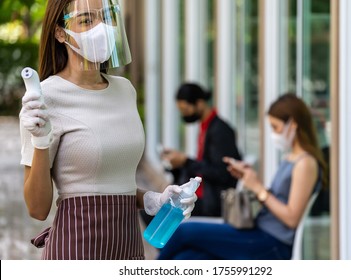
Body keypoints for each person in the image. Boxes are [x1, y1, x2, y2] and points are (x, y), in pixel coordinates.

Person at [19, 0, 196, 260]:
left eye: (106, 17)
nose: (101, 28)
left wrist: (154, 200)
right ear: (60, 33)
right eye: (87, 20)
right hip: (77, 251)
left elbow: (111, 184)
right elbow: (37, 208)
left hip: (129, 249)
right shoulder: (44, 98)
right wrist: (40, 142)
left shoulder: (124, 90)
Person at [157, 93, 328, 260]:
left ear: (293, 125)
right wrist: (249, 178)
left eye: (276, 128)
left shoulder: (305, 163)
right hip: (259, 232)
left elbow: (291, 218)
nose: (273, 134)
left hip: (271, 242)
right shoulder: (290, 158)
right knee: (186, 258)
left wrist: (259, 189)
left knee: (183, 232)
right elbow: (277, 199)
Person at [161, 83, 241, 217]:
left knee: (155, 213)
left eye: (186, 109)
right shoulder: (206, 127)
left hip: (211, 205)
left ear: (199, 103)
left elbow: (221, 173)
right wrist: (178, 163)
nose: (184, 114)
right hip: (202, 196)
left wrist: (186, 161)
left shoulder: (220, 131)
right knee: (160, 207)